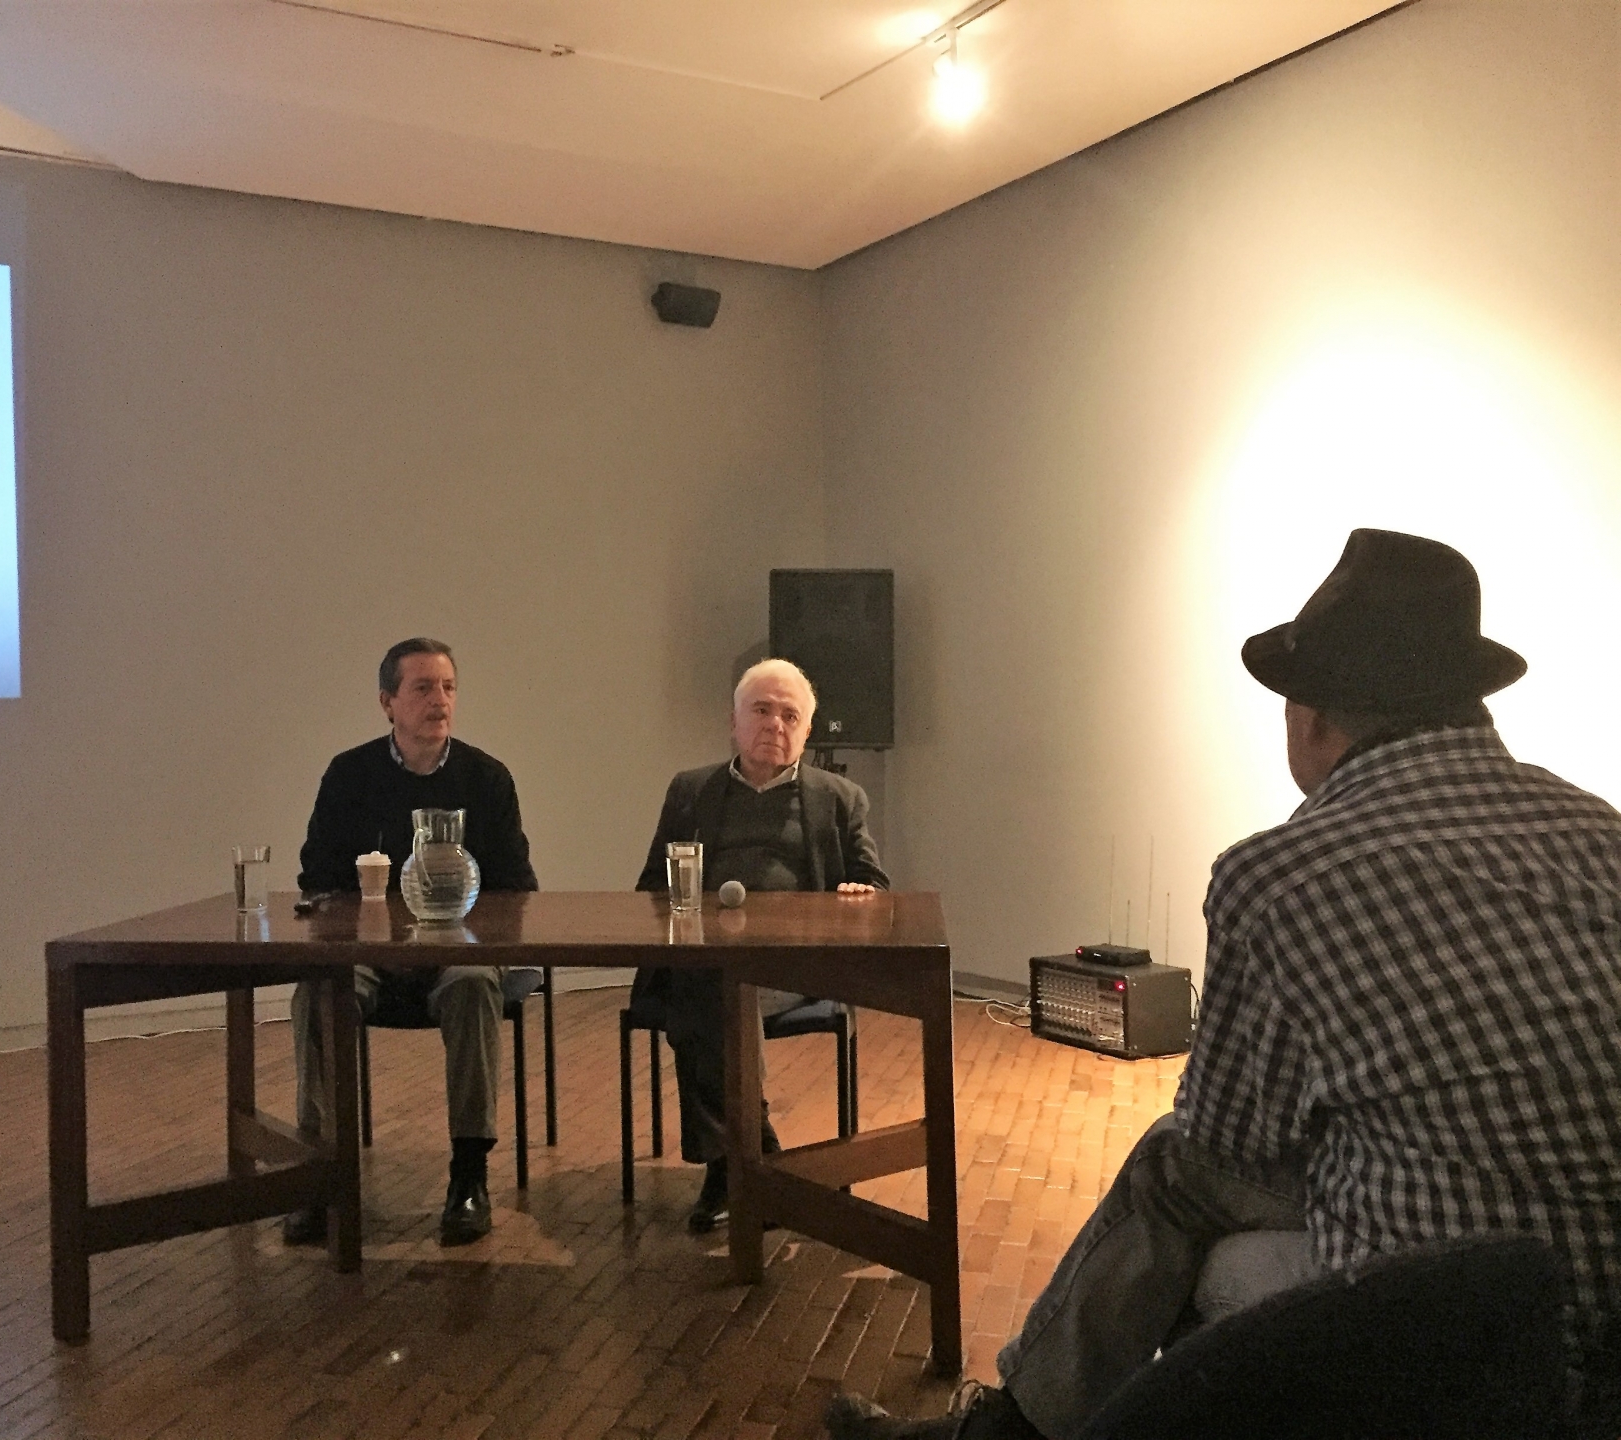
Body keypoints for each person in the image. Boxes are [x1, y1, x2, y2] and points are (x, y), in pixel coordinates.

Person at [830, 529, 1621, 1440]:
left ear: (1309, 716)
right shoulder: (1599, 832)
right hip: (1600, 1316)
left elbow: (1230, 1139)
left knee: (1175, 1167)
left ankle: (1011, 1434)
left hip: (1443, 1327)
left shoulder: (1281, 874)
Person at [285, 638, 537, 1248]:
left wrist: (460, 932)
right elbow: (317, 876)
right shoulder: (349, 775)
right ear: (387, 702)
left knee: (474, 986)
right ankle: (320, 1174)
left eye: (448, 687)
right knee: (318, 994)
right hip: (371, 952)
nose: (439, 700)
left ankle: (469, 1176)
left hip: (459, 951)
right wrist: (374, 929)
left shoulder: (487, 778)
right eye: (422, 688)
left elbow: (516, 888)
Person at [635, 658, 889, 1233]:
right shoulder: (691, 790)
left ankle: (727, 1170)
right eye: (762, 710)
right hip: (706, 961)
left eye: (790, 716)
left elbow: (873, 884)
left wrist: (858, 894)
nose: (775, 724)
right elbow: (652, 885)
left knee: (716, 996)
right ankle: (756, 1158)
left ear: (807, 731)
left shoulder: (840, 798)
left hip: (794, 968)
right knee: (713, 988)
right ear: (734, 721)